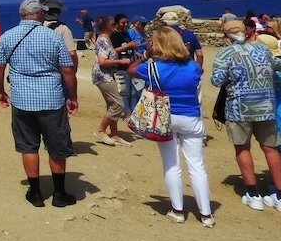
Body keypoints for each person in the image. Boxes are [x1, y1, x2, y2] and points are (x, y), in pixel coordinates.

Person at [0, 0, 78, 208]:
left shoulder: (8, 36)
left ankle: (36, 192)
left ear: (22, 14)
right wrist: (73, 97)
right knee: (56, 147)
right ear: (39, 14)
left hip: (21, 100)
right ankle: (59, 194)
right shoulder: (53, 37)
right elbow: (68, 71)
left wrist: (0, 92)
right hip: (52, 99)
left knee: (28, 147)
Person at [127, 27, 215, 227]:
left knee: (171, 165)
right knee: (197, 166)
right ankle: (206, 214)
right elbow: (198, 73)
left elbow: (130, 70)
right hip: (191, 118)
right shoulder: (193, 66)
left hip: (165, 118)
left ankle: (178, 210)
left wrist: (146, 55)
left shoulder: (153, 68)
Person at [211, 18, 281, 210]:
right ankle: (279, 195)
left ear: (227, 36)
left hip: (239, 108)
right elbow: (276, 66)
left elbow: (216, 80)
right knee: (271, 148)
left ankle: (253, 193)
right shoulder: (263, 50)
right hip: (266, 106)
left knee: (243, 148)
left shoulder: (225, 54)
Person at [92, 15, 132, 147]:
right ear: (106, 26)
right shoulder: (103, 39)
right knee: (118, 104)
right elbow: (102, 61)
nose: (116, 26)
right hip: (103, 75)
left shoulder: (107, 39)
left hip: (108, 74)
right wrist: (120, 60)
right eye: (113, 24)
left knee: (111, 104)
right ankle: (101, 130)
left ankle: (114, 134)